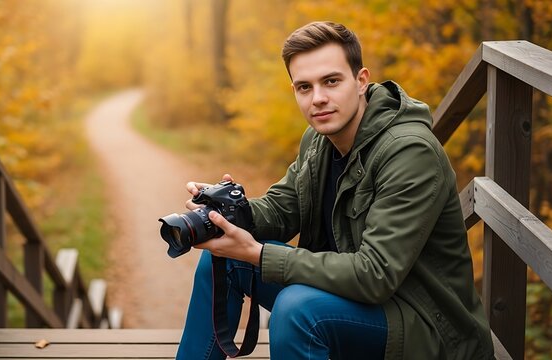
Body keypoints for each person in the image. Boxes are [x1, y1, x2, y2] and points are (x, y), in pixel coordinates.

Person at [176, 21, 494, 359]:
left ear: (361, 81)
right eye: (304, 87)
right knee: (222, 258)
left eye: (331, 81)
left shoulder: (410, 152)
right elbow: (284, 207)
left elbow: (375, 275)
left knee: (297, 310)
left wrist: (258, 253)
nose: (319, 99)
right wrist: (227, 211)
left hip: (424, 328)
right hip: (351, 301)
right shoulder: (318, 139)